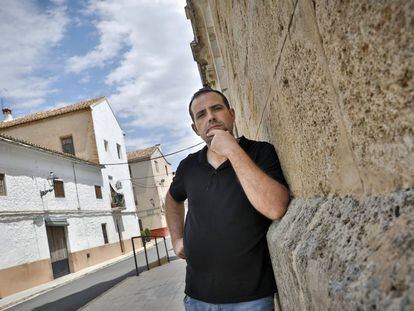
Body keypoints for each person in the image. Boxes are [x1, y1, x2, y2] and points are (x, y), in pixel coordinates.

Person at [166, 87, 290, 310]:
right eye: (201, 114)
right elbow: (172, 199)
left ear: (231, 114)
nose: (210, 116)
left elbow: (275, 208)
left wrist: (232, 150)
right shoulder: (188, 166)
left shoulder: (260, 152)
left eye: (216, 108)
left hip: (251, 299)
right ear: (195, 128)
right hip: (197, 298)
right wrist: (176, 239)